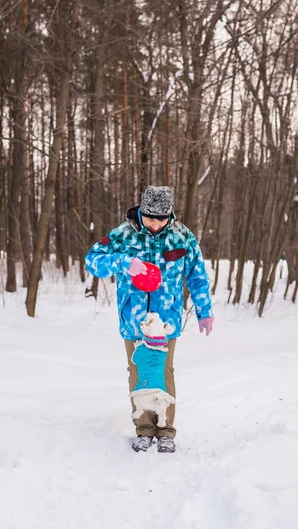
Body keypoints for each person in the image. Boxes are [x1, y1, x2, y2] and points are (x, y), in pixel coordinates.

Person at [85, 186, 214, 453]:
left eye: (161, 218)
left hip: (166, 322)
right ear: (141, 211)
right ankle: (144, 428)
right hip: (134, 320)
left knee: (164, 371)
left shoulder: (182, 237)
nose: (155, 224)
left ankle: (166, 430)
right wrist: (123, 262)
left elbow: (197, 277)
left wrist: (204, 311)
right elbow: (92, 261)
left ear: (170, 215)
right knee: (138, 372)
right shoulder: (123, 234)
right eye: (150, 217)